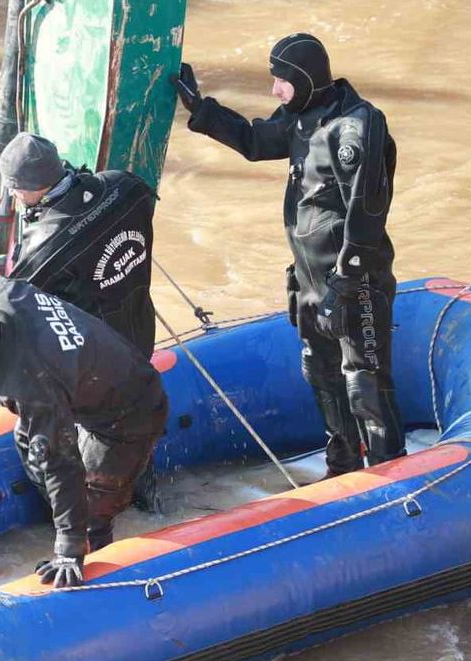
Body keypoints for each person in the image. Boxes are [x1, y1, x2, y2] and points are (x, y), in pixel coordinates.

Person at [171, 33, 405, 479]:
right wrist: (201, 109)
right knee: (320, 371)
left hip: (354, 283)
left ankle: (389, 475)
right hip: (310, 279)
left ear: (306, 79)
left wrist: (346, 282)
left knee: (365, 382)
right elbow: (255, 140)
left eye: (282, 80)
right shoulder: (301, 117)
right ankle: (343, 467)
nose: (275, 89)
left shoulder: (356, 127)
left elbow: (367, 213)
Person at [0, 279, 168, 588]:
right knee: (24, 439)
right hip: (92, 377)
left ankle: (96, 546)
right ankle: (62, 512)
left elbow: (60, 462)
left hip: (129, 413)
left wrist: (69, 548)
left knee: (91, 503)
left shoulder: (32, 385)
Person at [0, 131, 159, 359]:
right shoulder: (126, 184)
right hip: (143, 333)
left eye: (14, 188)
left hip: (101, 358)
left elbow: (13, 302)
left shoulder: (45, 243)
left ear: (29, 188)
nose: (12, 193)